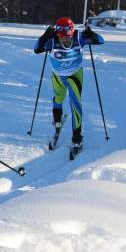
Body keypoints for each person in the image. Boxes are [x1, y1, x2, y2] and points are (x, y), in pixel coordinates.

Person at [34, 17, 104, 155]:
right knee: (59, 98)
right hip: (58, 75)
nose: (66, 39)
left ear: (72, 33)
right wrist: (44, 37)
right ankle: (57, 118)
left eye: (68, 36)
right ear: (58, 34)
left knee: (75, 103)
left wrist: (92, 34)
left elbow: (101, 41)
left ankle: (77, 136)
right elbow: (36, 49)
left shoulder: (80, 38)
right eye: (63, 37)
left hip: (75, 75)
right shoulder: (52, 40)